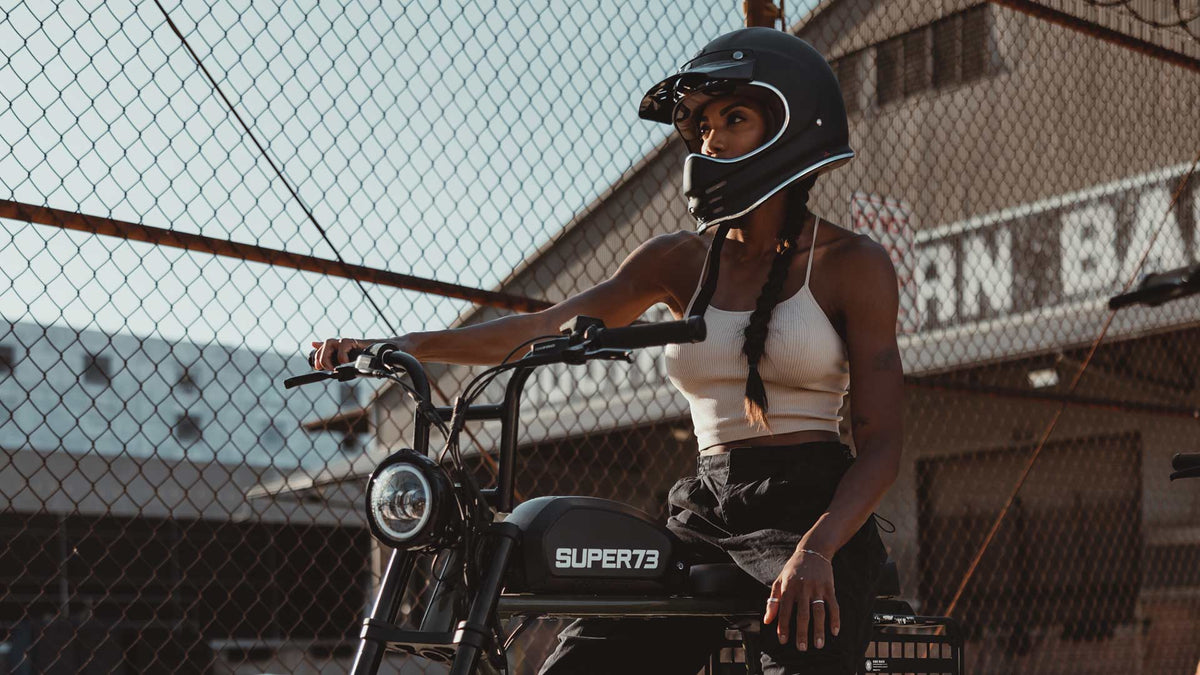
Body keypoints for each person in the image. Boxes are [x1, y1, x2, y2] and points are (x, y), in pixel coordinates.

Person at [312, 28, 901, 675]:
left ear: (793, 125)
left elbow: (881, 444)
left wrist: (818, 549)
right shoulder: (677, 261)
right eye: (701, 124)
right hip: (706, 506)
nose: (711, 139)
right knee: (591, 654)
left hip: (813, 502)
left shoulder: (853, 264)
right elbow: (545, 324)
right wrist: (402, 345)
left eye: (734, 117)